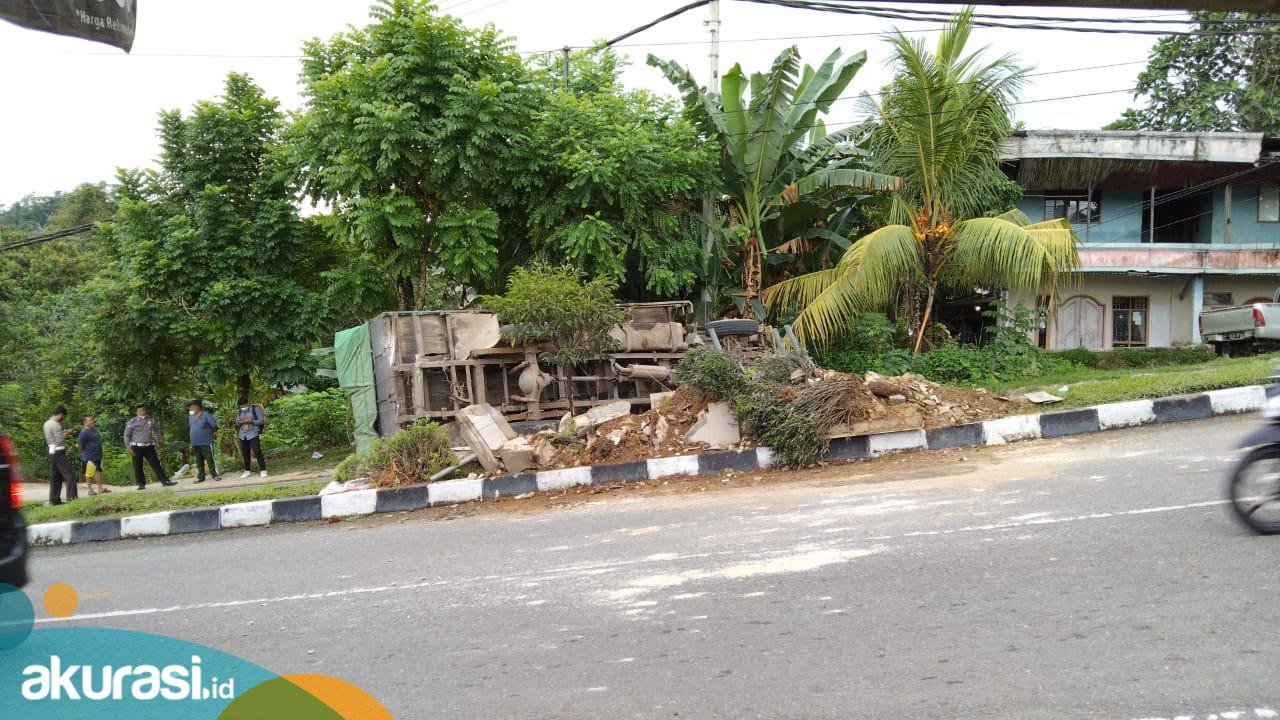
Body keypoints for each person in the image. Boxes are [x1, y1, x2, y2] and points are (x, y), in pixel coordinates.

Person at [124, 404, 175, 489]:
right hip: (136, 447)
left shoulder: (151, 420)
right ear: (136, 413)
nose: (143, 412)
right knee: (138, 466)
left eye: (144, 410)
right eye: (140, 411)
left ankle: (165, 481)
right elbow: (126, 435)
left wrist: (158, 441)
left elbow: (157, 430)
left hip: (149, 446)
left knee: (156, 464)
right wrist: (128, 447)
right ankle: (141, 484)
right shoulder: (132, 422)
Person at [43, 406, 78, 505]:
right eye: (63, 416)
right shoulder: (56, 425)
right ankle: (72, 500)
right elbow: (59, 440)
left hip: (52, 450)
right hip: (59, 451)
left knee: (56, 476)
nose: (63, 418)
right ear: (60, 414)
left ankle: (54, 500)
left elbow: (53, 439)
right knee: (70, 475)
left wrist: (63, 433)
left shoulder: (46, 423)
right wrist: (67, 433)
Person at [187, 400, 221, 483]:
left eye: (192, 406)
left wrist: (209, 433)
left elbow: (215, 426)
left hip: (206, 442)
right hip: (195, 442)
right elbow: (191, 427)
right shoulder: (190, 416)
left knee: (209, 458)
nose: (191, 408)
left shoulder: (206, 414)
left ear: (198, 407)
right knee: (199, 460)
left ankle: (215, 475)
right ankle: (201, 477)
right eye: (190, 407)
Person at [75, 415, 109, 496]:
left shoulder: (94, 429)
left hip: (98, 455)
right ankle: (90, 490)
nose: (92, 421)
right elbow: (78, 445)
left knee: (99, 471)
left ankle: (100, 488)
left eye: (92, 420)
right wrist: (84, 451)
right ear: (85, 422)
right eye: (90, 420)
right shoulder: (84, 432)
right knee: (89, 473)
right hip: (89, 456)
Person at [234, 398, 267, 479]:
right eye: (241, 406)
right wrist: (240, 421)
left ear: (247, 403)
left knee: (257, 451)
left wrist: (251, 421)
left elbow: (261, 421)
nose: (242, 407)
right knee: (245, 453)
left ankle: (263, 470)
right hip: (243, 434)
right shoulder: (239, 411)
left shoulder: (255, 409)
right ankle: (247, 471)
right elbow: (236, 422)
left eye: (244, 406)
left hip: (253, 433)